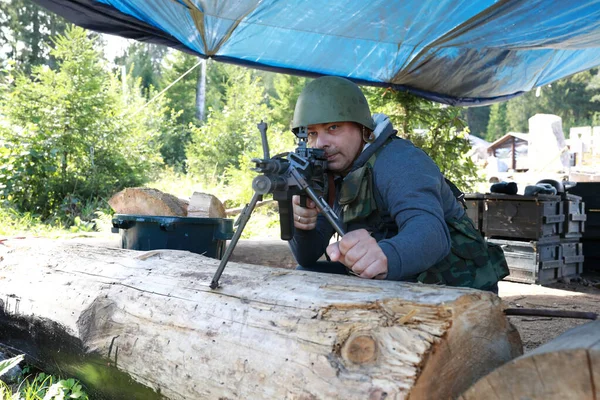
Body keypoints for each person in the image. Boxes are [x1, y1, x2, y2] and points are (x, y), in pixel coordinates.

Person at [288, 76, 508, 293]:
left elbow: (430, 232)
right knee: (306, 275)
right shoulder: (332, 171)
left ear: (363, 129)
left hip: (458, 285)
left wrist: (384, 256)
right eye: (313, 133)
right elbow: (307, 255)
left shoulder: (398, 160)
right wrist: (301, 225)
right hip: (398, 277)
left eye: (333, 127)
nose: (321, 143)